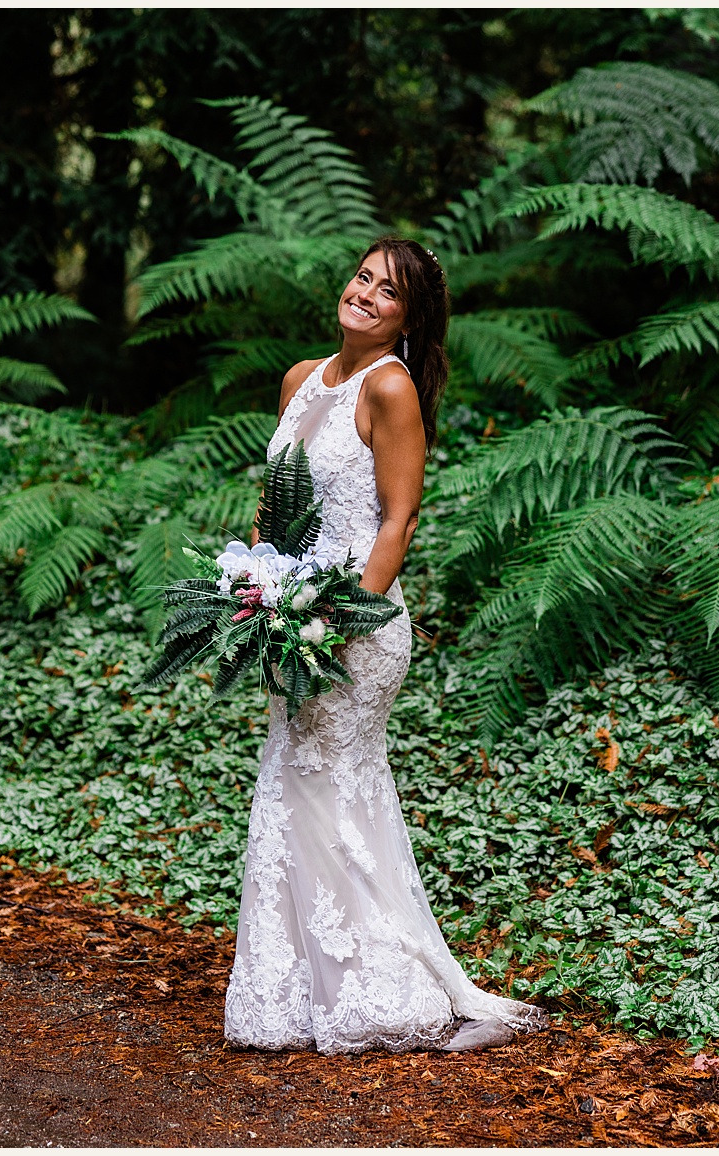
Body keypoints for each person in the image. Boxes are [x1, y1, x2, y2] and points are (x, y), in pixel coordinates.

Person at [223, 237, 549, 1055]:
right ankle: (297, 991)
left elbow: (397, 522)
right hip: (292, 621)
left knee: (334, 789)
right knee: (293, 787)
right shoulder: (301, 379)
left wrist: (339, 622)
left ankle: (379, 986)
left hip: (356, 631)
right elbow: (278, 502)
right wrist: (258, 589)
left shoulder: (391, 387)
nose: (366, 294)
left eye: (388, 291)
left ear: (409, 318)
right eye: (363, 276)